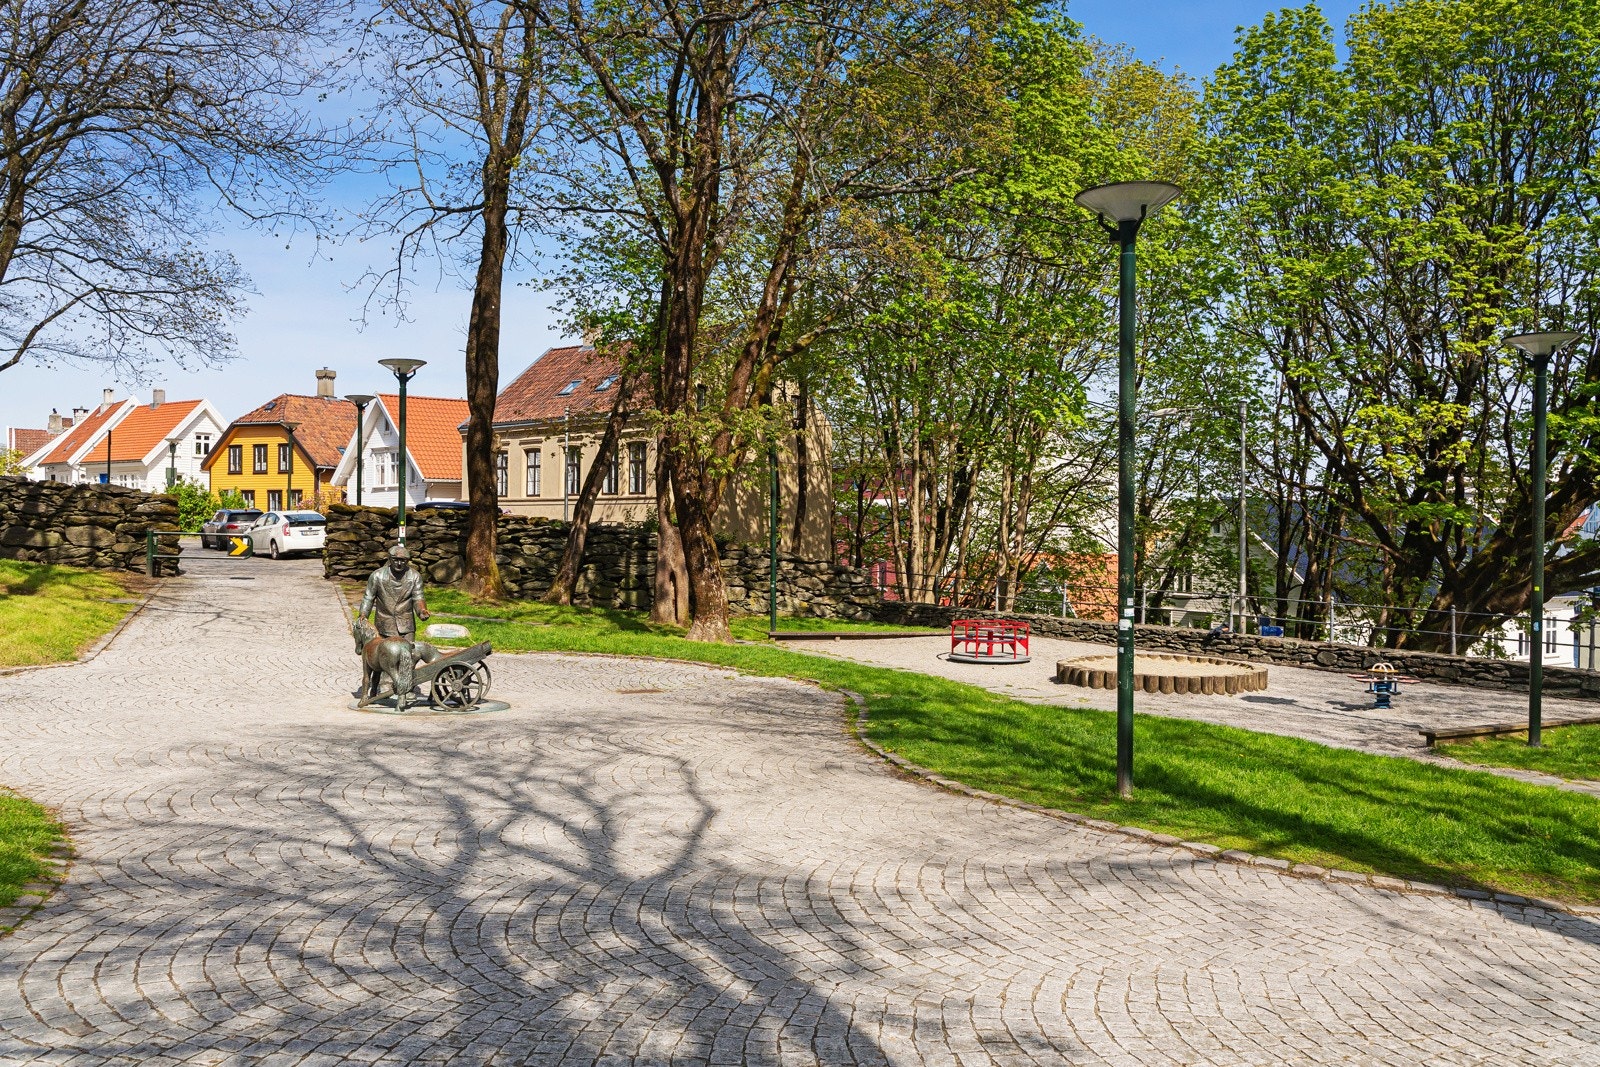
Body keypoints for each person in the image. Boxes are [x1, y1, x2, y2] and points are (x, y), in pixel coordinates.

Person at [359, 544, 431, 641]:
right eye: (395, 560)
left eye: (403, 560)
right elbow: (368, 598)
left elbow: (418, 597)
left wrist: (421, 611)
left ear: (407, 561)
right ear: (389, 559)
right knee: (385, 655)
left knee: (409, 654)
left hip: (406, 627)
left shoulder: (415, 576)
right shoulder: (377, 576)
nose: (399, 563)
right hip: (384, 626)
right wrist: (363, 615)